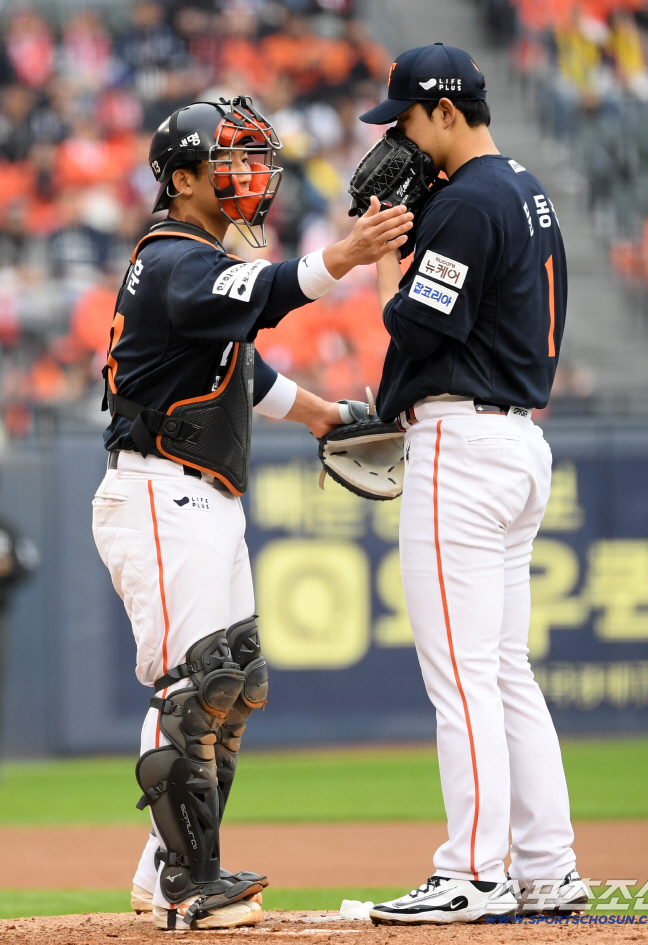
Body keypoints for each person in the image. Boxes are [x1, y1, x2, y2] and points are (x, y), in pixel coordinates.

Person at [91, 95, 412, 932]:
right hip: (159, 489)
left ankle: (166, 868)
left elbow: (243, 369)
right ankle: (189, 884)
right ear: (182, 178)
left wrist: (320, 414)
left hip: (198, 494)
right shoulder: (173, 258)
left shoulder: (193, 267)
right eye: (227, 162)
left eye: (252, 160)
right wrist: (340, 257)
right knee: (196, 687)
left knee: (234, 684)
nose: (248, 175)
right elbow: (269, 292)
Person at [358, 45, 590, 924]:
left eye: (408, 121)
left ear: (446, 112)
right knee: (501, 670)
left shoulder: (466, 199)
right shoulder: (525, 188)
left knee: (462, 672)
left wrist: (387, 253)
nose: (401, 141)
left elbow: (414, 326)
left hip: (463, 443)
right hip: (518, 437)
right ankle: (546, 865)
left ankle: (474, 871)